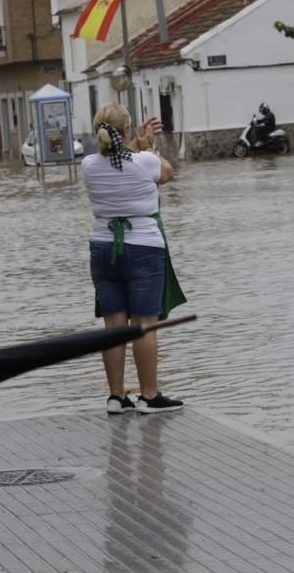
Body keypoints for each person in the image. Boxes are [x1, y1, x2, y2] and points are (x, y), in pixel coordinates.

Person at [82, 103, 185, 415]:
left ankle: (116, 397)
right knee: (143, 326)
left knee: (113, 326)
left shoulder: (88, 165)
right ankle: (149, 396)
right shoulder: (143, 162)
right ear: (126, 130)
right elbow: (167, 173)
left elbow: (115, 158)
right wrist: (148, 145)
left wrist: (134, 145)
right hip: (143, 248)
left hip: (102, 247)